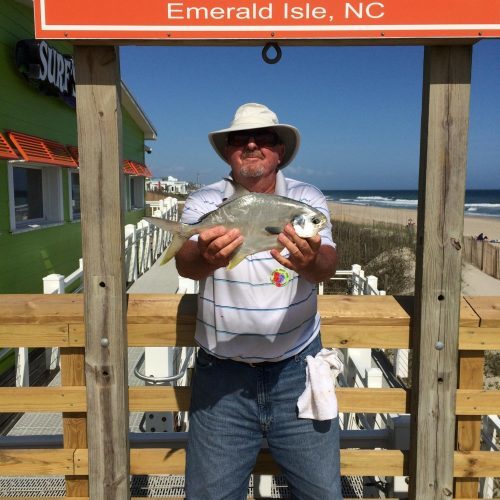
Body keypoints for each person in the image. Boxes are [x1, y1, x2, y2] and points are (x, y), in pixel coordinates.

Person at [175, 103, 342, 499]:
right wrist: (204, 255)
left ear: (279, 150)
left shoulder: (306, 198)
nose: (252, 144)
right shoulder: (205, 201)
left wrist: (310, 259)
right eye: (240, 138)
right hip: (221, 379)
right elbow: (187, 266)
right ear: (228, 150)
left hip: (297, 373)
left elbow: (326, 266)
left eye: (264, 138)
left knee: (322, 493)